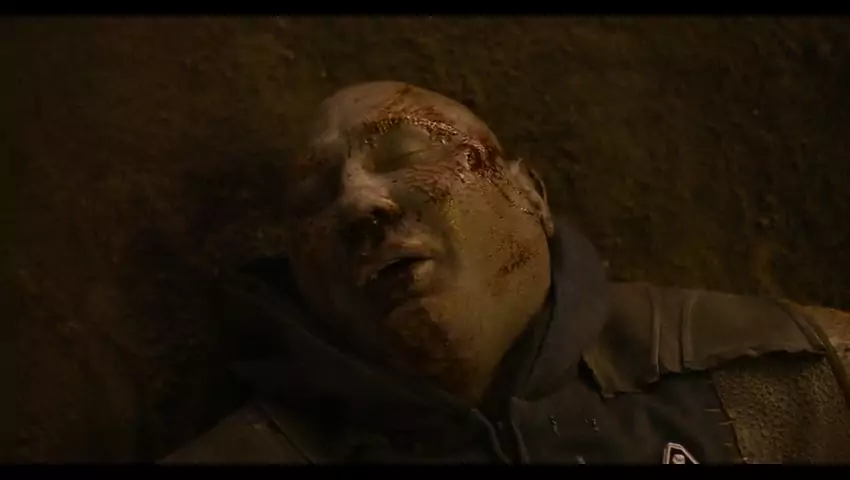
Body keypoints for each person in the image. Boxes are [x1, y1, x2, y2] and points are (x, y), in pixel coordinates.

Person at [162, 81, 850, 464]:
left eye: (405, 156)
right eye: (314, 201)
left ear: (531, 195)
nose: (357, 203)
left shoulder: (796, 378)